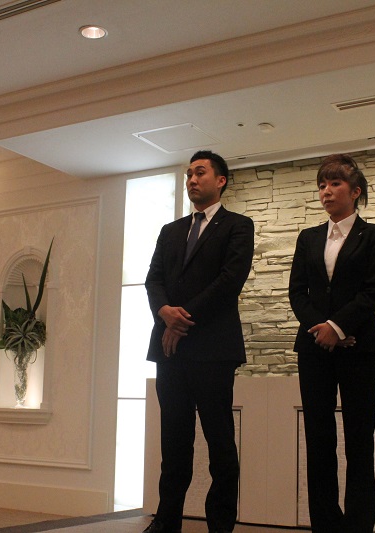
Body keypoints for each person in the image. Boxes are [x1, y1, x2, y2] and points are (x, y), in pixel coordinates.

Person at [143, 150, 254, 533]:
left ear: (220, 180)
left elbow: (229, 281)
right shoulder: (170, 230)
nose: (192, 179)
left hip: (213, 351)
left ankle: (220, 525)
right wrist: (164, 313)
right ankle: (166, 522)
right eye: (189, 174)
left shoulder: (238, 226)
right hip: (169, 352)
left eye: (200, 172)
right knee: (173, 444)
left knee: (220, 444)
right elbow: (153, 280)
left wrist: (181, 320)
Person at [289, 154, 375, 533]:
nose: (326, 191)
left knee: (359, 442)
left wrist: (338, 325)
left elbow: (372, 291)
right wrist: (322, 329)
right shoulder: (308, 237)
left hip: (359, 348)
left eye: (335, 184)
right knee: (319, 441)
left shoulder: (374, 234)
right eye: (322, 185)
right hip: (313, 350)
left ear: (356, 191)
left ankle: (358, 526)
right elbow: (297, 292)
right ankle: (325, 525)